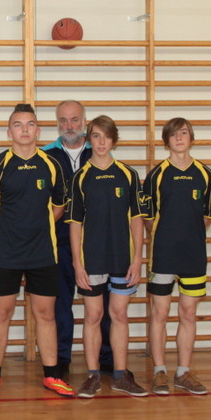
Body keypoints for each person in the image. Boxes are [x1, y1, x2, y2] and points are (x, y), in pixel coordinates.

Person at [0, 103, 74, 399]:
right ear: (9, 132)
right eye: (18, 125)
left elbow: (59, 206)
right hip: (5, 253)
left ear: (38, 130)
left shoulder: (52, 165)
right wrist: (9, 232)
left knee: (45, 313)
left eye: (30, 124)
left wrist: (38, 228)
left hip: (42, 252)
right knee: (2, 313)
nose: (24, 130)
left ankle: (52, 375)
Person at [68, 115, 147, 398]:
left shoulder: (128, 174)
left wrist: (137, 259)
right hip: (92, 259)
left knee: (119, 314)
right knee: (93, 315)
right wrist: (78, 264)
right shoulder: (80, 177)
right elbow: (75, 223)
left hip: (122, 259)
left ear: (114, 140)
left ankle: (120, 375)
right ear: (89, 140)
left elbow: (137, 219)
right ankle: (92, 376)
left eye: (106, 136)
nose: (101, 142)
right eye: (96, 136)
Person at [143, 118, 211, 396]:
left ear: (191, 138)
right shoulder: (156, 175)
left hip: (193, 256)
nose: (179, 138)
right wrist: (168, 237)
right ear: (166, 141)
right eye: (173, 134)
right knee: (160, 313)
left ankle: (183, 372)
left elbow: (207, 217)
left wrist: (188, 236)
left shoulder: (206, 174)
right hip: (163, 255)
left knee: (188, 312)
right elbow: (148, 218)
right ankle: (159, 371)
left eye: (184, 133)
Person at [41, 99, 94, 378]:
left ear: (84, 121)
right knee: (60, 302)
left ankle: (105, 357)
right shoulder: (46, 156)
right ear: (57, 123)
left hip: (96, 242)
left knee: (99, 304)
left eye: (74, 120)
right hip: (58, 241)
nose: (69, 125)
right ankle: (61, 358)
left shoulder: (99, 150)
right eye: (63, 120)